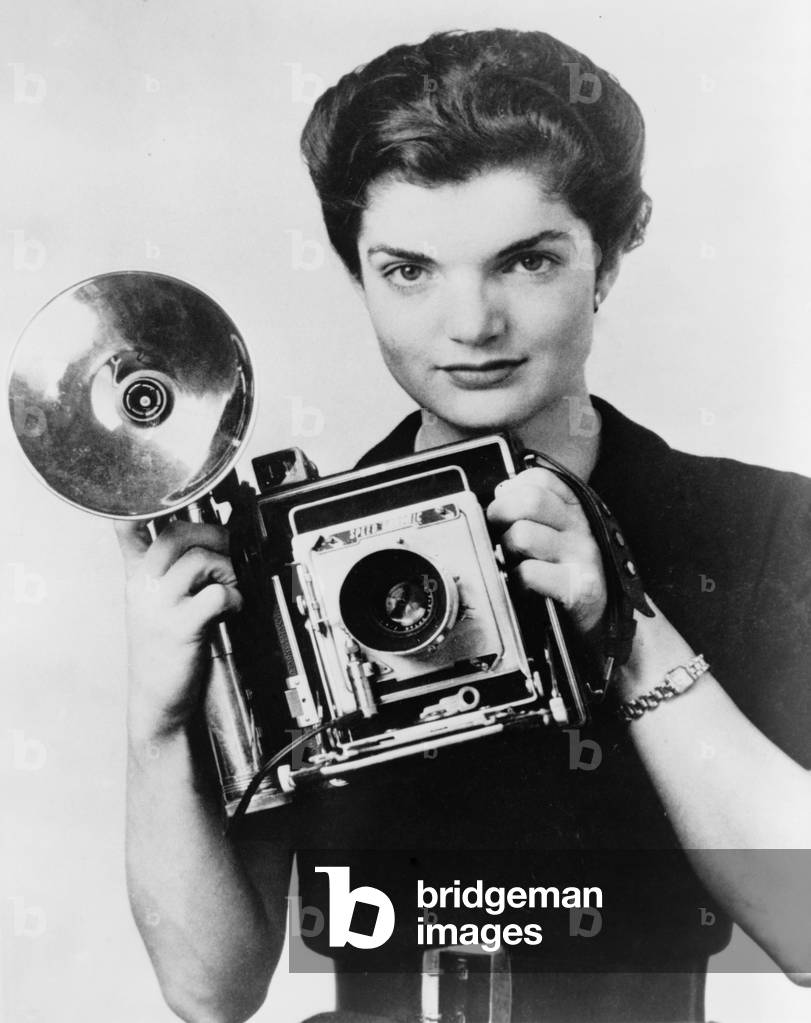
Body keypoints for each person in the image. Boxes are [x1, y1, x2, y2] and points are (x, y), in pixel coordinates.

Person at [114, 28, 811, 1023]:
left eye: (526, 261)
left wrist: (626, 630)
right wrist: (157, 724)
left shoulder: (760, 529)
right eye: (409, 270)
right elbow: (209, 990)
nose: (471, 324)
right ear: (355, 271)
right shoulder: (285, 561)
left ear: (612, 252)